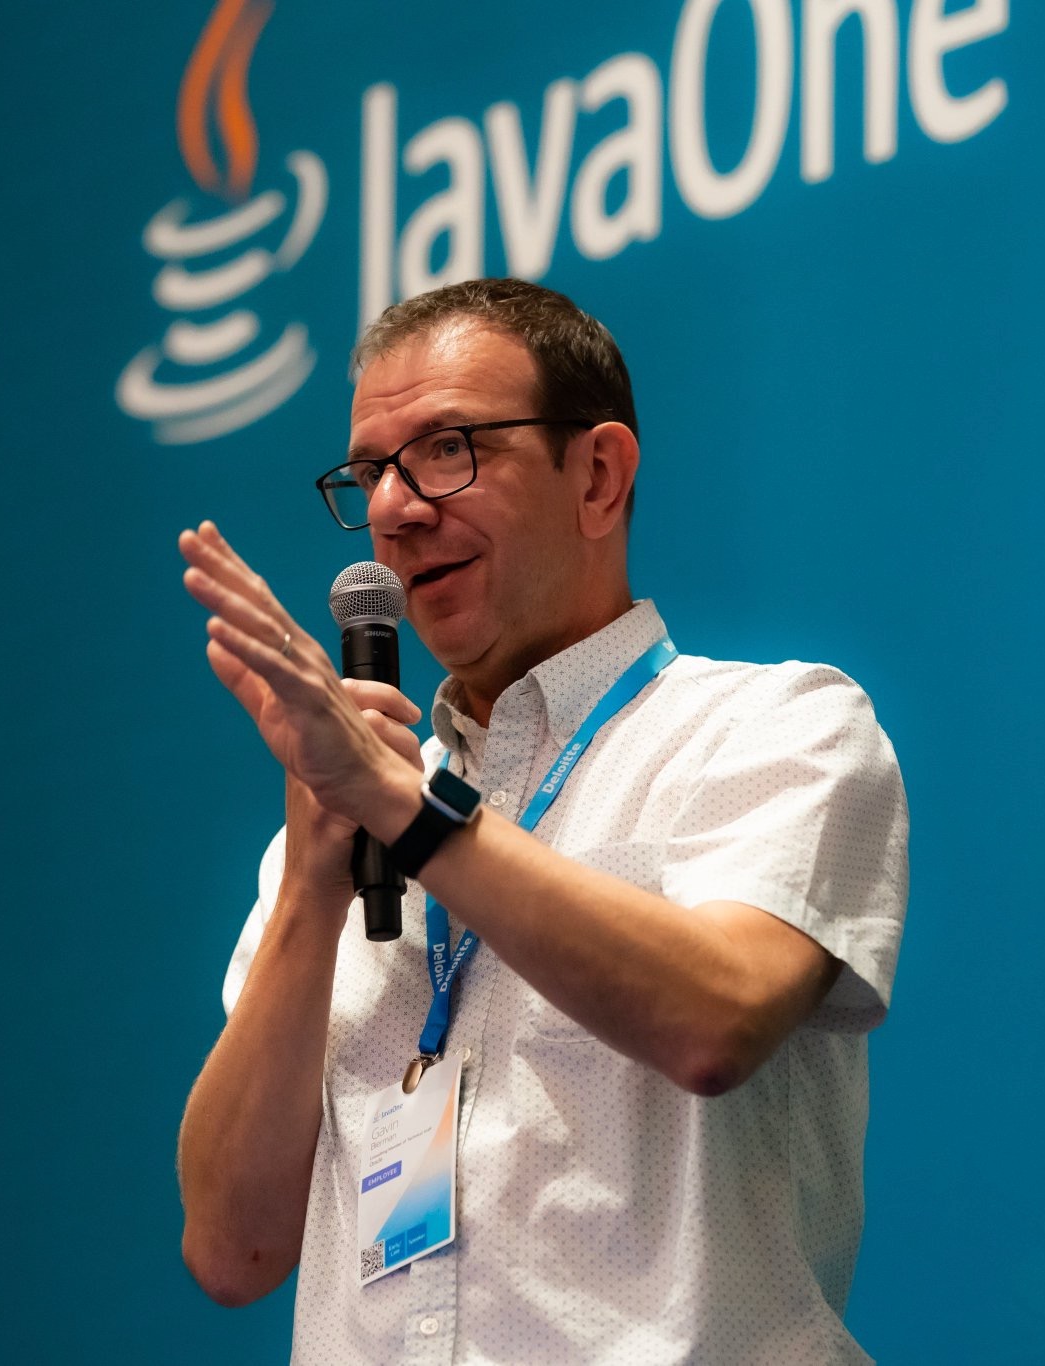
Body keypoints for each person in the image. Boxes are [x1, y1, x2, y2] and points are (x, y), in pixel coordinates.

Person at [175, 278, 908, 1363]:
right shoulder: (332, 833)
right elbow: (230, 1249)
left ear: (598, 476)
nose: (395, 508)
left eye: (447, 450)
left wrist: (406, 810)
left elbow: (717, 1021)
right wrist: (310, 888)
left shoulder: (774, 728)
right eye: (371, 473)